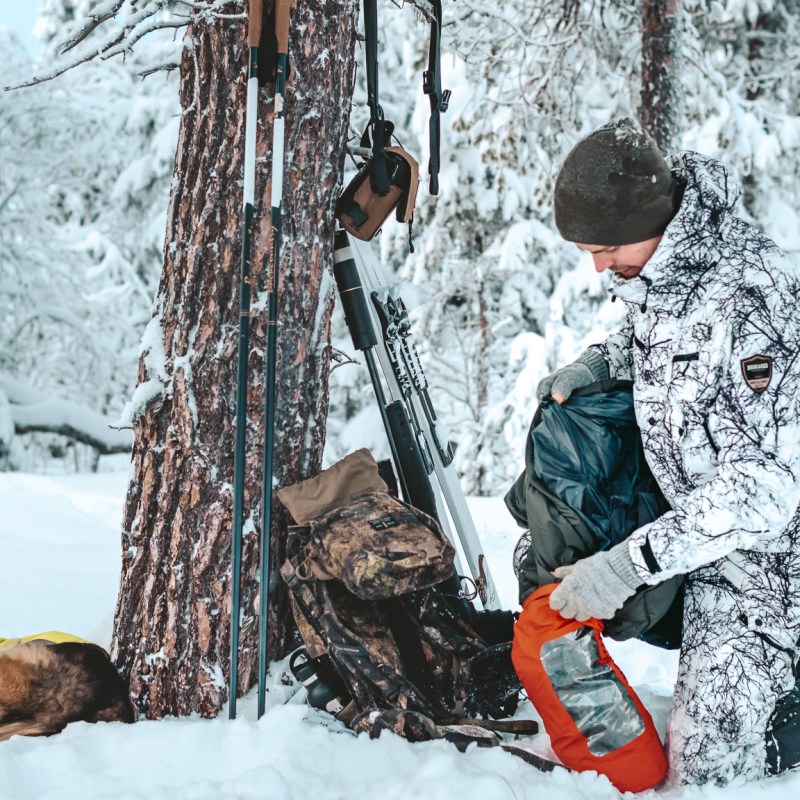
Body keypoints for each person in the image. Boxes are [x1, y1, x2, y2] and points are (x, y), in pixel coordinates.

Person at [539, 117, 800, 786]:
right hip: (709, 553)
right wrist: (601, 364)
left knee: (711, 773)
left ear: (649, 219)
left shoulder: (757, 299)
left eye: (604, 247)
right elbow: (649, 332)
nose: (597, 266)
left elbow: (767, 488)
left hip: (776, 579)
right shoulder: (670, 266)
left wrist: (629, 564)